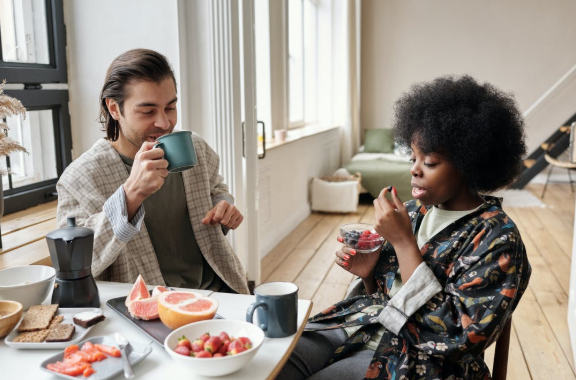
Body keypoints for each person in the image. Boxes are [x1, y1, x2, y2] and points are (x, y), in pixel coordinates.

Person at [277, 75, 531, 379]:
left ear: (469, 163)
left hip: (419, 361)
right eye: (413, 157)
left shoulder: (497, 238)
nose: (414, 169)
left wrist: (403, 243)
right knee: (273, 362)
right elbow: (386, 295)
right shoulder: (412, 211)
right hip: (366, 324)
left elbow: (458, 337)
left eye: (431, 162)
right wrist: (370, 275)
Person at [56, 49, 249, 294]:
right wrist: (130, 195)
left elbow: (216, 189)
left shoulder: (195, 148)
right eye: (147, 111)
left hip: (220, 292)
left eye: (170, 107)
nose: (164, 123)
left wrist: (223, 205)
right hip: (145, 310)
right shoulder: (80, 177)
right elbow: (71, 264)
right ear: (114, 109)